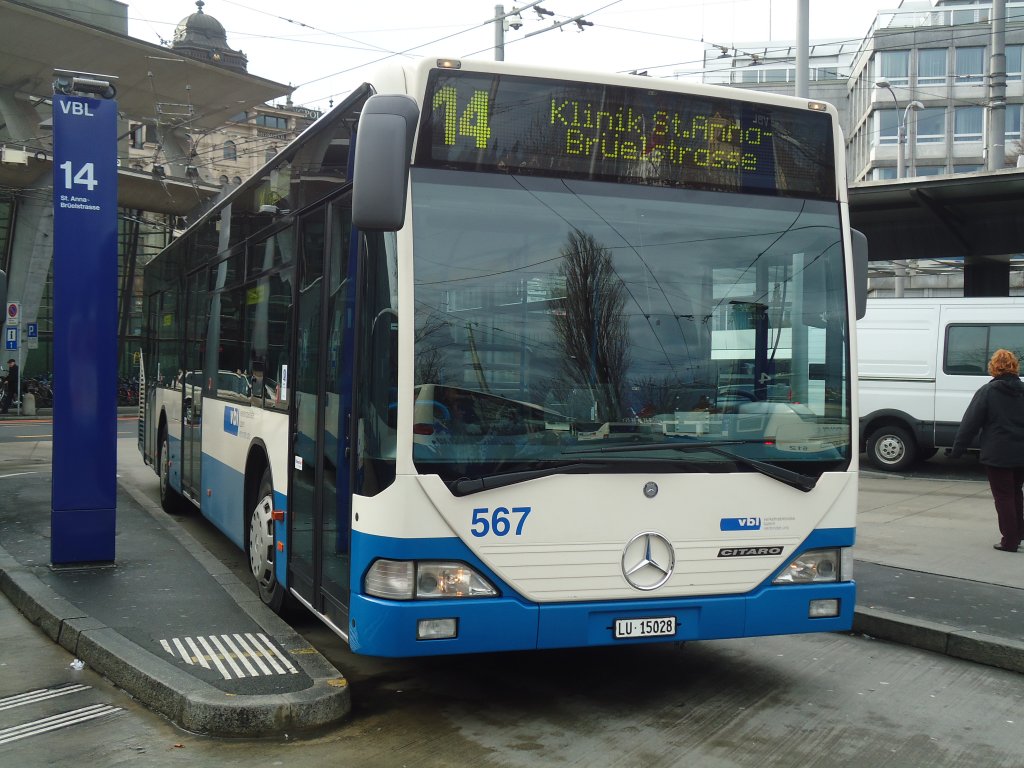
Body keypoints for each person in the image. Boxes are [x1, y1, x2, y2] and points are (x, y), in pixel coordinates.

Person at [950, 348, 1024, 552]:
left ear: (994, 368)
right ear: (1014, 367)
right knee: (1016, 492)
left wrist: (958, 448)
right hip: (1020, 453)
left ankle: (1010, 541)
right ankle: (1018, 532)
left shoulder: (988, 391)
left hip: (998, 453)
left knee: (1004, 496)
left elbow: (971, 421)